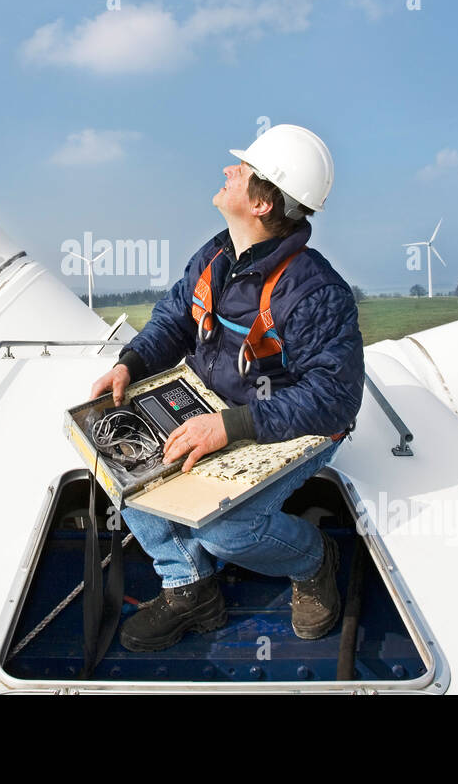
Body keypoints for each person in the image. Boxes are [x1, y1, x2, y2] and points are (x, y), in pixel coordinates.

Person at [88, 124, 364, 652]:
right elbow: (174, 318)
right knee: (118, 453)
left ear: (261, 202)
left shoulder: (314, 290)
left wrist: (231, 426)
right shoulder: (217, 256)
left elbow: (335, 399)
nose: (227, 169)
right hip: (215, 410)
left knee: (226, 529)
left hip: (286, 425)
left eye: (242, 169)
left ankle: (313, 559)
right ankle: (189, 585)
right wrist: (132, 362)